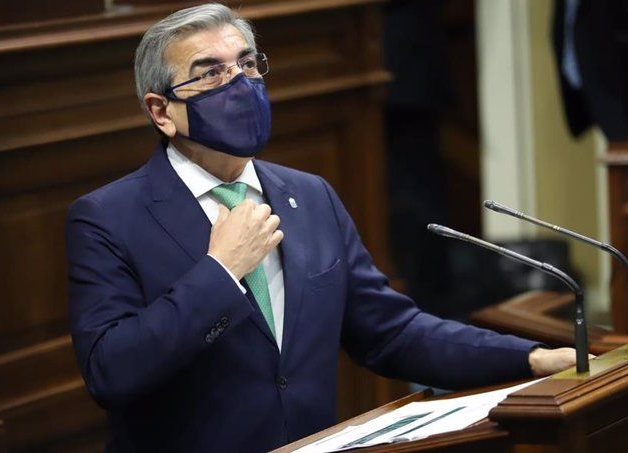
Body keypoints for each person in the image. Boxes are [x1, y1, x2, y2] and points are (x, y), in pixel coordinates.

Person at [65, 4, 579, 452]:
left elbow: (391, 332)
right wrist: (221, 272)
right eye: (211, 73)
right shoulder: (108, 217)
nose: (239, 83)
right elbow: (112, 372)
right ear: (161, 111)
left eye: (247, 64)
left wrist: (530, 357)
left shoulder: (308, 195)